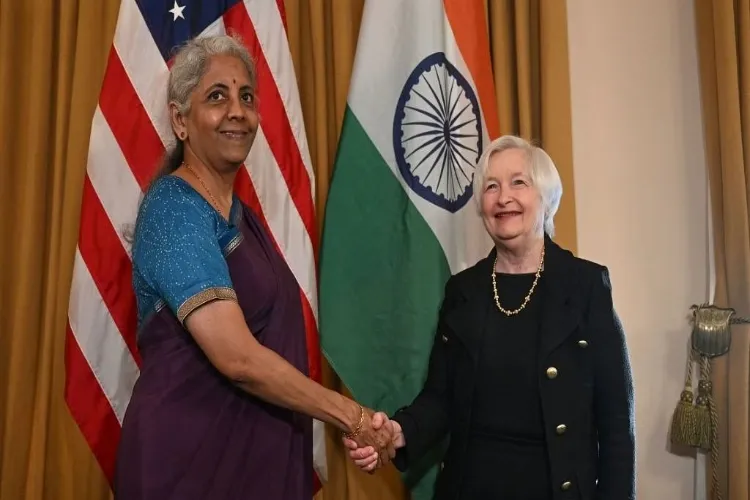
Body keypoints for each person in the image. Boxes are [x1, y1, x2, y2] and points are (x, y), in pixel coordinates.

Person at [113, 34, 393, 499]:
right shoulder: (175, 209)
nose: (237, 111)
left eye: (246, 96)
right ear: (181, 121)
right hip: (184, 465)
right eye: (216, 96)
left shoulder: (241, 217)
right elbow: (237, 358)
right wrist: (354, 417)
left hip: (251, 460)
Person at [345, 135, 636, 499]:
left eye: (519, 182)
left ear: (546, 199)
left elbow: (616, 425)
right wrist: (398, 432)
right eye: (491, 186)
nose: (503, 197)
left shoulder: (586, 286)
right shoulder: (463, 291)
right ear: (481, 207)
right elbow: (440, 398)